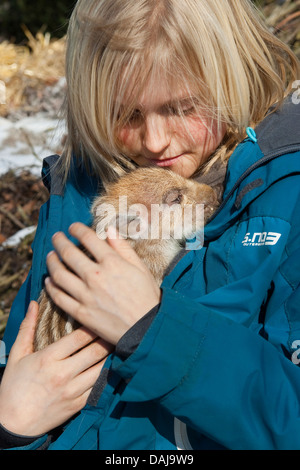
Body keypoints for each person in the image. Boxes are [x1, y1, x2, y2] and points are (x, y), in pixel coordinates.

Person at [0, 0, 300, 450]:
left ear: (232, 77)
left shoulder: (284, 195)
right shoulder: (80, 193)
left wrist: (155, 330)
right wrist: (12, 426)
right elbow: (23, 356)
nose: (155, 140)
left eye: (182, 107)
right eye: (127, 114)